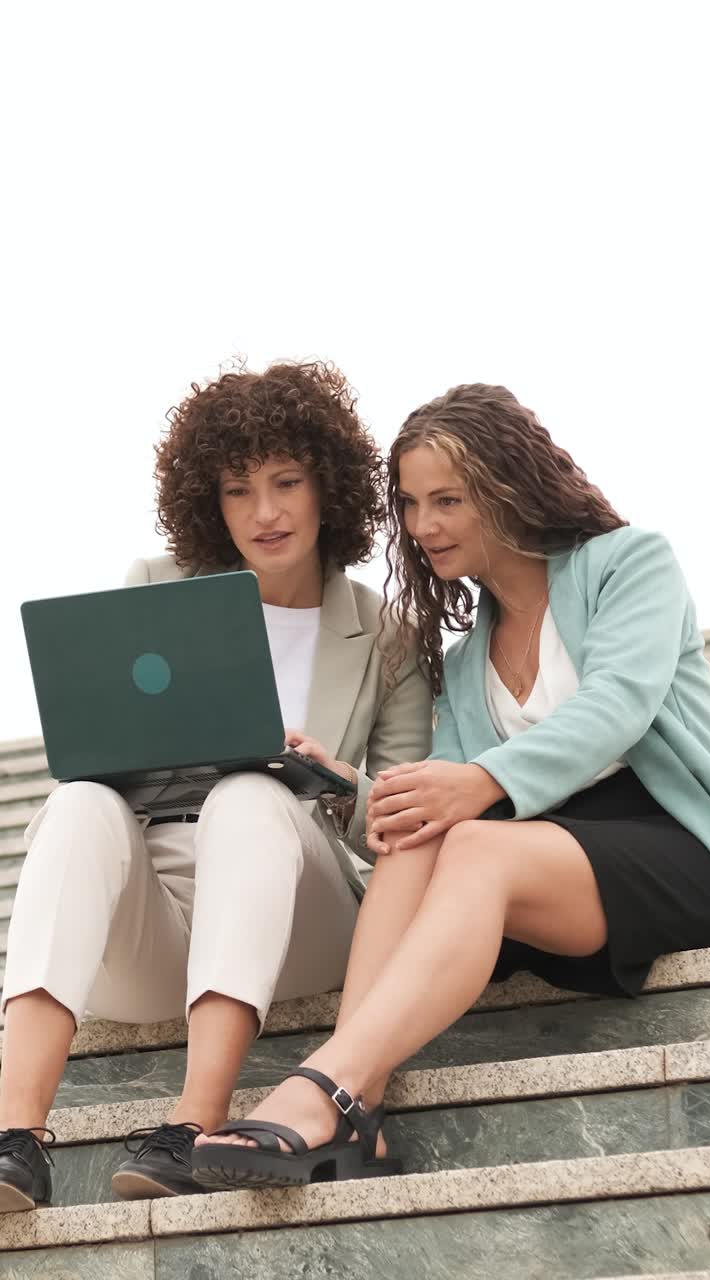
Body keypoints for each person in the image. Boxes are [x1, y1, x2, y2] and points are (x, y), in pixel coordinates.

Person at [190, 380, 710, 1190]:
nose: (421, 525)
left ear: (510, 487)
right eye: (409, 503)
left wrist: (476, 782)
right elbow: (443, 794)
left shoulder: (628, 563)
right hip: (548, 859)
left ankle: (328, 1083)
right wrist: (352, 788)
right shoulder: (469, 653)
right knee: (421, 830)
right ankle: (355, 1121)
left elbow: (618, 705)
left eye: (447, 500)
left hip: (675, 843)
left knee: (470, 836)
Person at [0, 359, 432, 1211]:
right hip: (157, 922)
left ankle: (192, 1127)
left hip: (301, 923)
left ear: (327, 488)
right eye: (239, 490)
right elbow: (102, 754)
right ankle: (14, 1139)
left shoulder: (386, 635)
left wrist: (336, 781)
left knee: (252, 791)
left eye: (286, 482)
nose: (265, 513)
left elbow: (406, 825)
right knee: (79, 799)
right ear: (210, 502)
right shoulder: (156, 587)